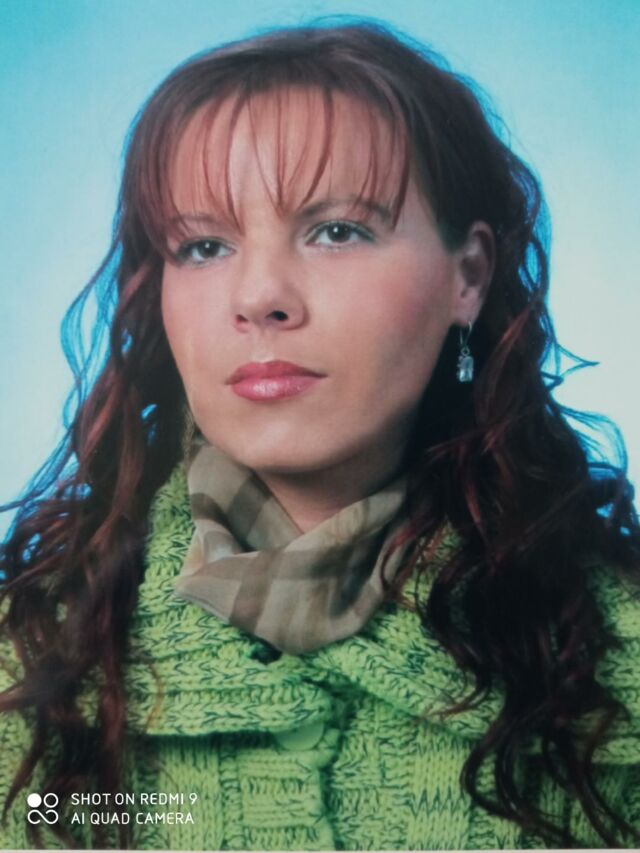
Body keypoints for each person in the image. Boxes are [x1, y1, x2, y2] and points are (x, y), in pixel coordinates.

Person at [1, 19, 639, 852]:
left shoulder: (616, 655)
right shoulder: (27, 662)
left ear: (469, 276)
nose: (259, 296)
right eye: (203, 245)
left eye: (338, 230)